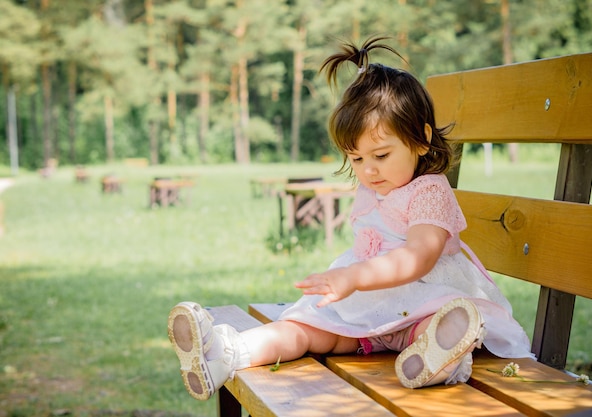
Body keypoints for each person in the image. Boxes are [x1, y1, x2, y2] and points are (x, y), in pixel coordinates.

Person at [167, 36, 533, 401]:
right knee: (304, 329)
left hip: (424, 305)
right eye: (357, 159)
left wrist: (353, 276)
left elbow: (417, 258)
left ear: (421, 141)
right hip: (368, 314)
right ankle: (226, 352)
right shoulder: (375, 189)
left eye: (381, 155)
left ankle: (439, 357)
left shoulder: (430, 191)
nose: (369, 171)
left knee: (437, 326)